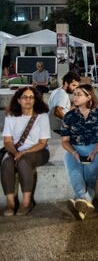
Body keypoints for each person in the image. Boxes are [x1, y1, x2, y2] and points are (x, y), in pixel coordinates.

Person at [61, 84, 98, 220]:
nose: (74, 97)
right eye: (74, 94)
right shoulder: (69, 116)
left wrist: (94, 152)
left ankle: (80, 202)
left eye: (79, 94)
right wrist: (74, 153)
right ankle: (83, 204)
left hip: (96, 149)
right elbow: (64, 141)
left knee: (90, 179)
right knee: (75, 176)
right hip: (74, 150)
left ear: (89, 97)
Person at [1, 86, 51, 216]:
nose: (28, 100)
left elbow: (42, 143)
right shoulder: (11, 116)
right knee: (6, 162)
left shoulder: (42, 116)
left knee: (23, 162)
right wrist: (14, 152)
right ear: (18, 100)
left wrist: (23, 153)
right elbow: (7, 141)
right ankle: (11, 203)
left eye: (31, 97)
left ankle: (26, 202)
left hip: (39, 151)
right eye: (24, 97)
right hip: (15, 150)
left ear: (35, 100)